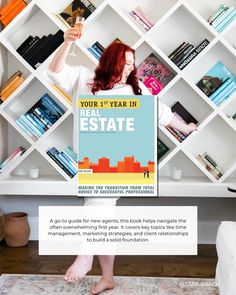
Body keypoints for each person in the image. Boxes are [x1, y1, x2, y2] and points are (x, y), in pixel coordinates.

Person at [48, 27, 197, 294]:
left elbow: (162, 113)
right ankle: (108, 278)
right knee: (103, 213)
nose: (129, 68)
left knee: (98, 205)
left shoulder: (134, 91)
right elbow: (55, 71)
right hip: (91, 162)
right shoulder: (84, 78)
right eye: (125, 62)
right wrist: (66, 44)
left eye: (132, 64)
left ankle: (85, 255)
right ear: (110, 60)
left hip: (121, 162)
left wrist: (185, 128)